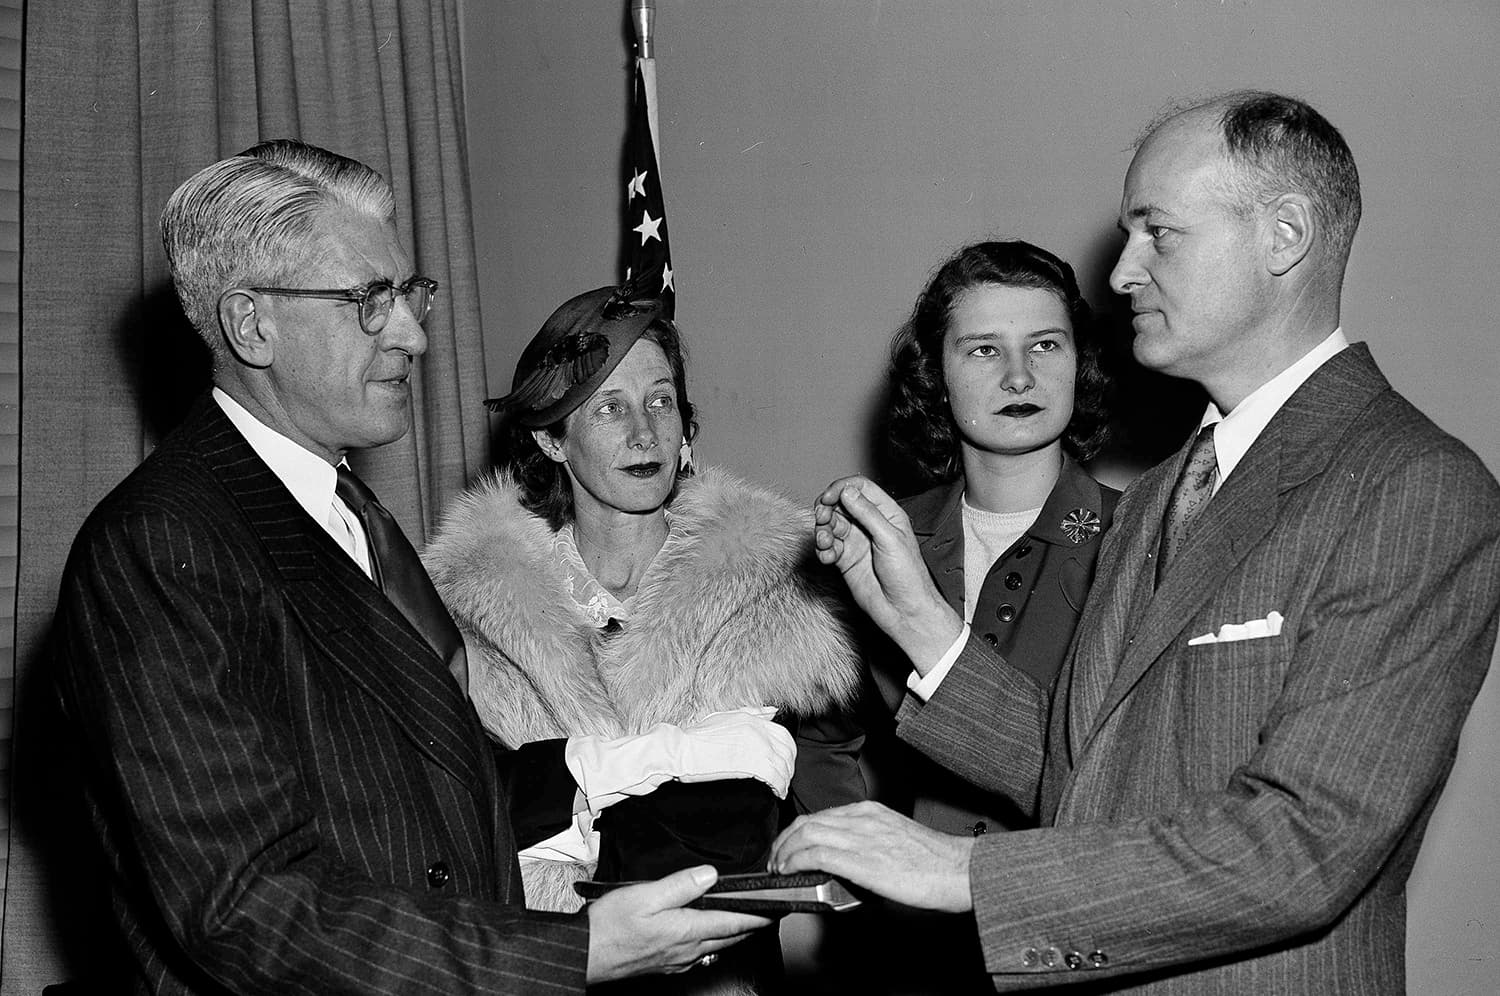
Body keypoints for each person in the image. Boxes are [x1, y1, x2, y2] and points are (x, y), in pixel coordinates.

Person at [771, 91, 1500, 993]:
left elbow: (1304, 845)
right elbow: (1088, 781)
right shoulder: (1163, 493)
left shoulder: (1410, 486)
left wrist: (964, 873)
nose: (1120, 274)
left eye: (1159, 234)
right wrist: (923, 626)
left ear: (1285, 235)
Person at [52, 139, 779, 994]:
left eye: (407, 293)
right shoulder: (165, 545)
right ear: (253, 325)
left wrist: (648, 763)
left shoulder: (342, 511)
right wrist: (573, 952)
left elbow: (434, 783)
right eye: (369, 299)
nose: (413, 334)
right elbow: (247, 907)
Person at [422, 282, 866, 993]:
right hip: (545, 969)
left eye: (661, 401)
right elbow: (454, 833)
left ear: (687, 427)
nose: (643, 433)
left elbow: (838, 818)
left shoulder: (780, 589)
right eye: (608, 407)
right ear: (549, 437)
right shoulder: (466, 615)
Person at [850, 240, 1115, 994]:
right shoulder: (880, 541)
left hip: (1072, 949)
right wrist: (856, 866)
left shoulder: (1142, 541)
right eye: (982, 351)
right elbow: (820, 740)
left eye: (1044, 345)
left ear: (1078, 363)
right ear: (935, 375)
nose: (1020, 376)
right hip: (911, 958)